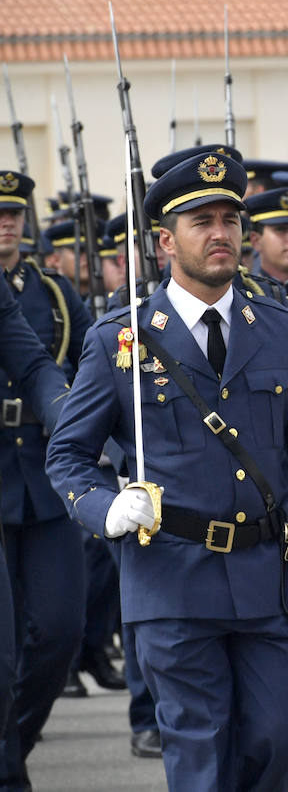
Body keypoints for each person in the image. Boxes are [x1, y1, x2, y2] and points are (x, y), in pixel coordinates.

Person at [45, 151, 288, 791]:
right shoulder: (121, 340)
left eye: (230, 219)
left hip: (268, 580)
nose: (221, 232)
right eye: (202, 221)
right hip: (171, 579)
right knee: (201, 752)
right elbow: (67, 456)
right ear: (166, 242)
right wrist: (105, 507)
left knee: (281, 738)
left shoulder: (278, 329)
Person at [0, 169, 96, 788]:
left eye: (12, 213)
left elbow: (42, 364)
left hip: (42, 473)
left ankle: (12, 748)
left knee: (60, 632)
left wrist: (76, 422)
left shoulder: (52, 294)